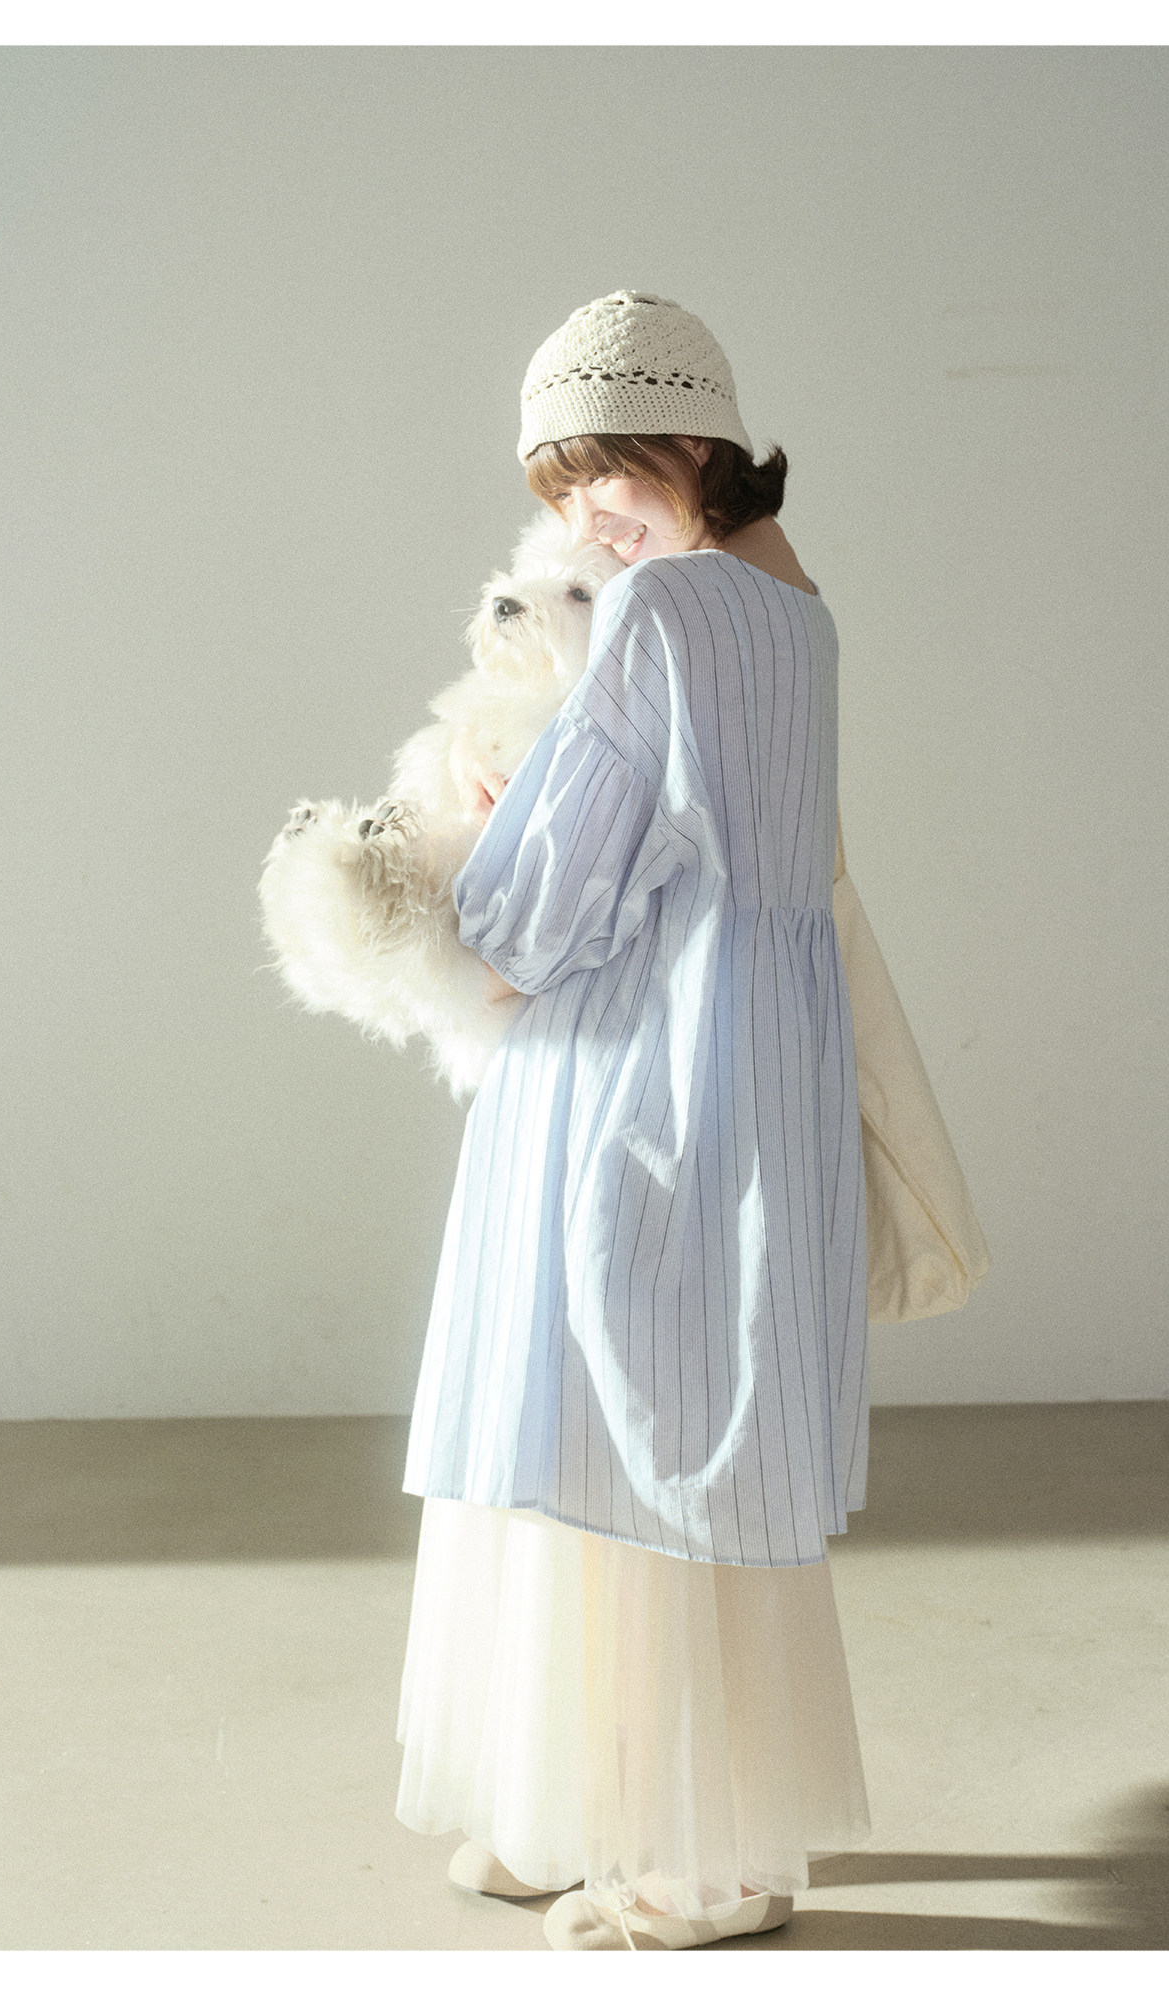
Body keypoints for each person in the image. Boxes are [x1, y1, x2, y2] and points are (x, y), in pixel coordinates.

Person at [393, 291, 873, 1951]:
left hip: (628, 1059)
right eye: (561, 491)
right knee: (685, 1414)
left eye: (607, 475)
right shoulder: (797, 612)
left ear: (694, 442)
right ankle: (623, 1806)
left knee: (592, 1416)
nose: (587, 520)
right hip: (756, 1050)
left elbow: (539, 908)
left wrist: (487, 821)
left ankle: (687, 1847)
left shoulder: (662, 608)